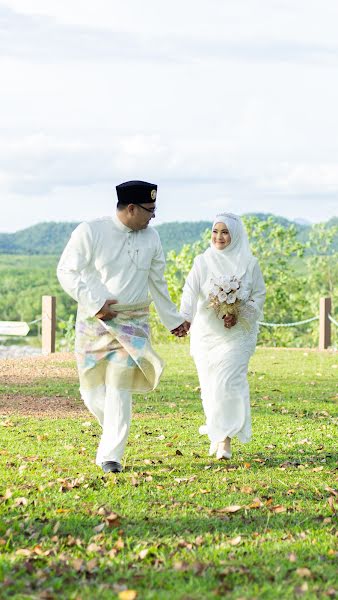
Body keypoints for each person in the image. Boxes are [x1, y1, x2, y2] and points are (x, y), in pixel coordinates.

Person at [57, 180, 189, 473]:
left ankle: (111, 456)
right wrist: (95, 304)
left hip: (134, 323)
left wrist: (174, 320)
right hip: (95, 323)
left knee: (119, 387)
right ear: (131, 208)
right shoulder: (91, 231)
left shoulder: (152, 238)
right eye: (150, 210)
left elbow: (158, 281)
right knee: (90, 391)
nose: (153, 216)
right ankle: (112, 433)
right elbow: (66, 270)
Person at [180, 213, 266, 460]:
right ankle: (217, 433)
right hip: (207, 334)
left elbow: (258, 294)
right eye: (215, 231)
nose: (219, 237)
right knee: (209, 387)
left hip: (238, 335)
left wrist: (241, 314)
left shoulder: (249, 263)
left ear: (235, 235)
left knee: (228, 382)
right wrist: (184, 319)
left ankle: (225, 440)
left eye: (225, 232)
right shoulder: (202, 261)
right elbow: (190, 291)